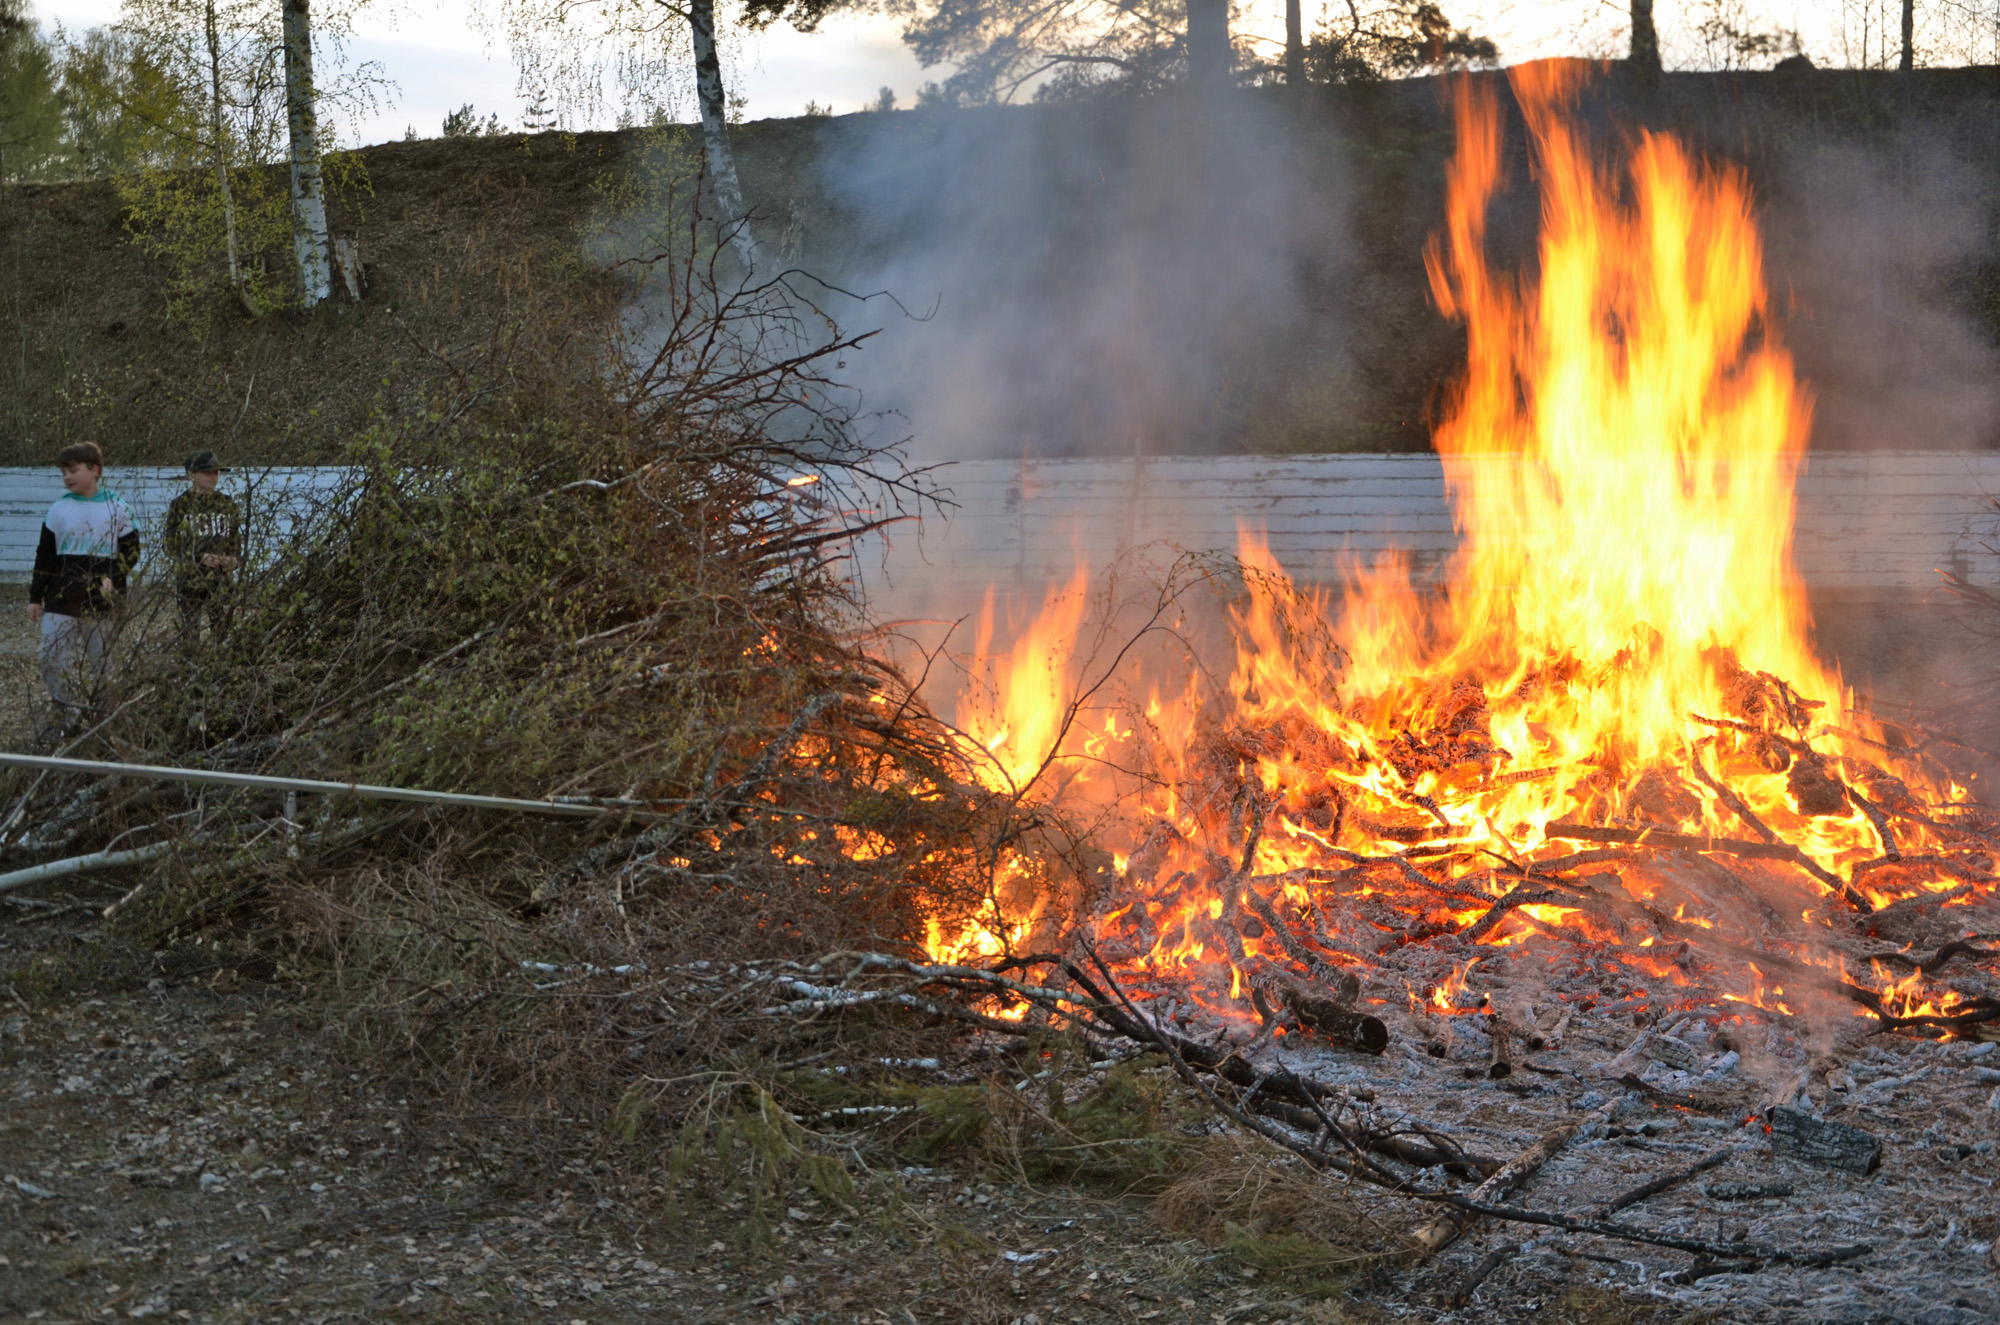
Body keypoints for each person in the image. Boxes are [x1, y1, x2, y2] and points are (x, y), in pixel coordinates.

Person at [28, 442, 140, 741]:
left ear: (95, 470)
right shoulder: (58, 509)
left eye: (73, 470)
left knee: (105, 664)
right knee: (50, 657)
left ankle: (107, 721)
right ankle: (65, 714)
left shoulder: (117, 507)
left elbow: (132, 552)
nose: (67, 477)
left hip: (102, 603)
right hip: (60, 599)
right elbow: (44, 556)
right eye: (63, 472)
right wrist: (35, 597)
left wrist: (114, 579)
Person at [163, 449, 242, 644]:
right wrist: (198, 557)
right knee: (190, 632)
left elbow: (235, 540)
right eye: (207, 472)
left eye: (216, 472)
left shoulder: (227, 504)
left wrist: (234, 560)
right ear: (191, 475)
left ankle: (220, 666)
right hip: (191, 579)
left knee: (223, 630)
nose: (213, 477)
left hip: (220, 578)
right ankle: (191, 666)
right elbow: (171, 544)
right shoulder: (181, 505)